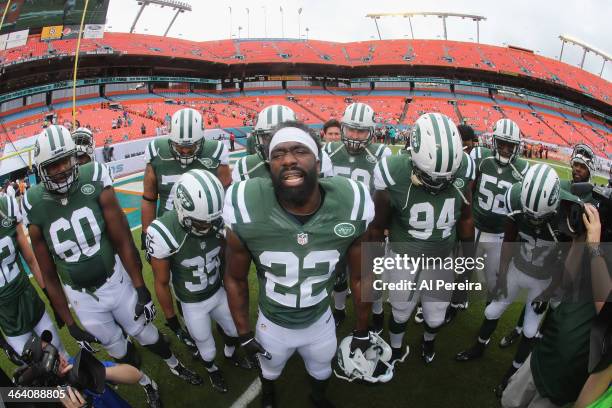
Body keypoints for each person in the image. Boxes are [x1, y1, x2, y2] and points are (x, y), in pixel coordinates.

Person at [23, 125, 202, 385]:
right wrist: (70, 322)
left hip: (114, 281)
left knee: (146, 333)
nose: (61, 169)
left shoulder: (93, 176)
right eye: (53, 165)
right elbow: (49, 273)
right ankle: (144, 383)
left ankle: (174, 364)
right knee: (117, 347)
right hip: (81, 297)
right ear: (41, 169)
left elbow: (123, 239)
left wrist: (140, 287)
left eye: (65, 161)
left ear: (75, 157)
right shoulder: (34, 204)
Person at [224, 122, 374, 408]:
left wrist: (363, 328)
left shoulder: (352, 203)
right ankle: (269, 394)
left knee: (321, 369)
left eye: (299, 151)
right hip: (273, 323)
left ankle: (318, 398)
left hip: (320, 319)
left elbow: (363, 274)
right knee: (270, 370)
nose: (289, 159)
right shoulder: (245, 205)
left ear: (318, 162)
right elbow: (234, 278)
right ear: (269, 166)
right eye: (278, 153)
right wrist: (244, 332)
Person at [456, 163, 581, 394]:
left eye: (538, 216)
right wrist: (503, 274)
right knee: (492, 311)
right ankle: (479, 347)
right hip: (518, 267)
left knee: (531, 330)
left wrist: (549, 291)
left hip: (544, 277)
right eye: (528, 214)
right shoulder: (515, 197)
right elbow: (509, 239)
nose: (533, 221)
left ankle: (512, 372)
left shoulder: (568, 214)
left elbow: (567, 262)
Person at [371, 112, 476, 365]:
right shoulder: (392, 171)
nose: (440, 183)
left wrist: (467, 267)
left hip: (442, 258)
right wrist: (373, 264)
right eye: (432, 176)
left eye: (447, 176)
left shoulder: (466, 167)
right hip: (403, 257)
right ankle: (396, 349)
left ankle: (428, 341)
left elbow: (465, 218)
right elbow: (377, 226)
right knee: (400, 310)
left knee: (436, 317)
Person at [147, 170, 251, 394]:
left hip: (217, 291)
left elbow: (227, 255)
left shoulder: (216, 219)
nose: (209, 226)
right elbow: (162, 282)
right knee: (207, 350)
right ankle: (212, 369)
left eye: (213, 220)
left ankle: (231, 356)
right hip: (192, 302)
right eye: (202, 222)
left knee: (234, 331)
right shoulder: (164, 231)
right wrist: (173, 320)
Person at [501, 204, 610, 407]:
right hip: (547, 350)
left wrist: (594, 248)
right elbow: (568, 279)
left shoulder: (598, 248)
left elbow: (606, 313)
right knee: (509, 401)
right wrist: (580, 239)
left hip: (571, 370)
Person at [142, 108, 231, 347]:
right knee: (176, 283)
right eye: (179, 145)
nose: (183, 151)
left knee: (214, 272)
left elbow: (227, 195)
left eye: (190, 146)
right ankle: (191, 324)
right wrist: (145, 233)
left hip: (208, 225)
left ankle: (224, 328)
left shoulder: (216, 153)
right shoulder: (157, 152)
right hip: (171, 230)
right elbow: (149, 198)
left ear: (202, 140)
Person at [446, 119, 529, 325]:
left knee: (494, 281)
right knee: (461, 271)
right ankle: (454, 306)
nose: (506, 148)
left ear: (517, 146)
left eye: (511, 145)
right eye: (502, 142)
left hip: (499, 236)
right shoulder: (480, 157)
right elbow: (469, 189)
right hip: (474, 229)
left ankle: (487, 321)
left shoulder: (524, 170)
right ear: (494, 141)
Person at [322, 102, 391, 328]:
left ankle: (378, 311)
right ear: (343, 127)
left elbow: (385, 196)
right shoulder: (329, 150)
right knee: (339, 274)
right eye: (350, 129)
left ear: (370, 131)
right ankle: (340, 309)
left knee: (370, 276)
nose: (354, 135)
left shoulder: (382, 153)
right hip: (337, 225)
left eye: (360, 130)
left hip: (368, 227)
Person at [0, 194, 66, 359]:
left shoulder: (6, 206)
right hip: (5, 315)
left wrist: (51, 298)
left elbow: (31, 260)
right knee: (35, 367)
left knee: (58, 352)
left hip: (28, 299)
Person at [232, 105, 333, 182]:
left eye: (282, 135)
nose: (275, 144)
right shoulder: (244, 167)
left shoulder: (320, 158)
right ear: (257, 138)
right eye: (267, 137)